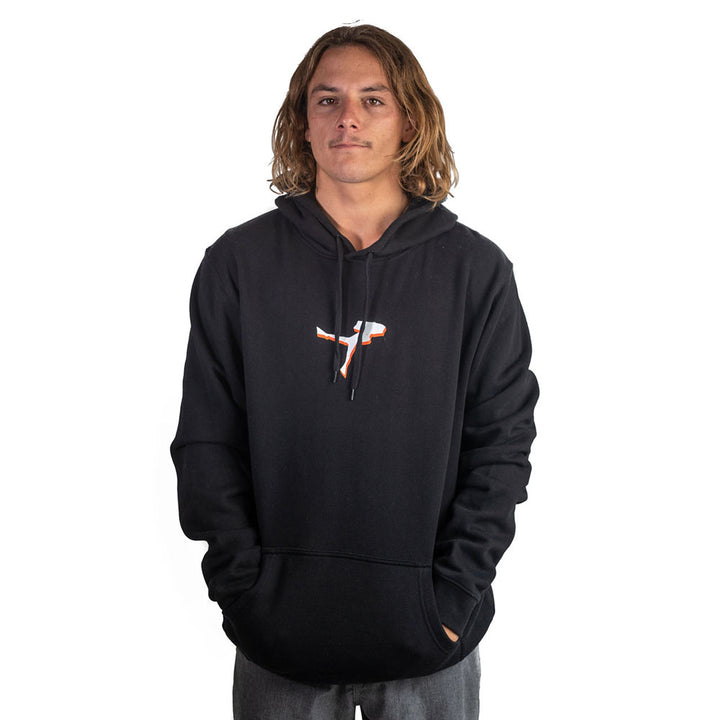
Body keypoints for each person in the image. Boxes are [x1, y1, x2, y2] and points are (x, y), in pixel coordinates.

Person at [170, 23, 539, 720]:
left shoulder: (475, 272)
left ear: (409, 122)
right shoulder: (238, 265)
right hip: (278, 641)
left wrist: (451, 601)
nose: (348, 118)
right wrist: (244, 593)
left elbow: (502, 446)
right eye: (327, 99)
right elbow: (206, 441)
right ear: (301, 123)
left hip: (430, 639)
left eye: (374, 100)